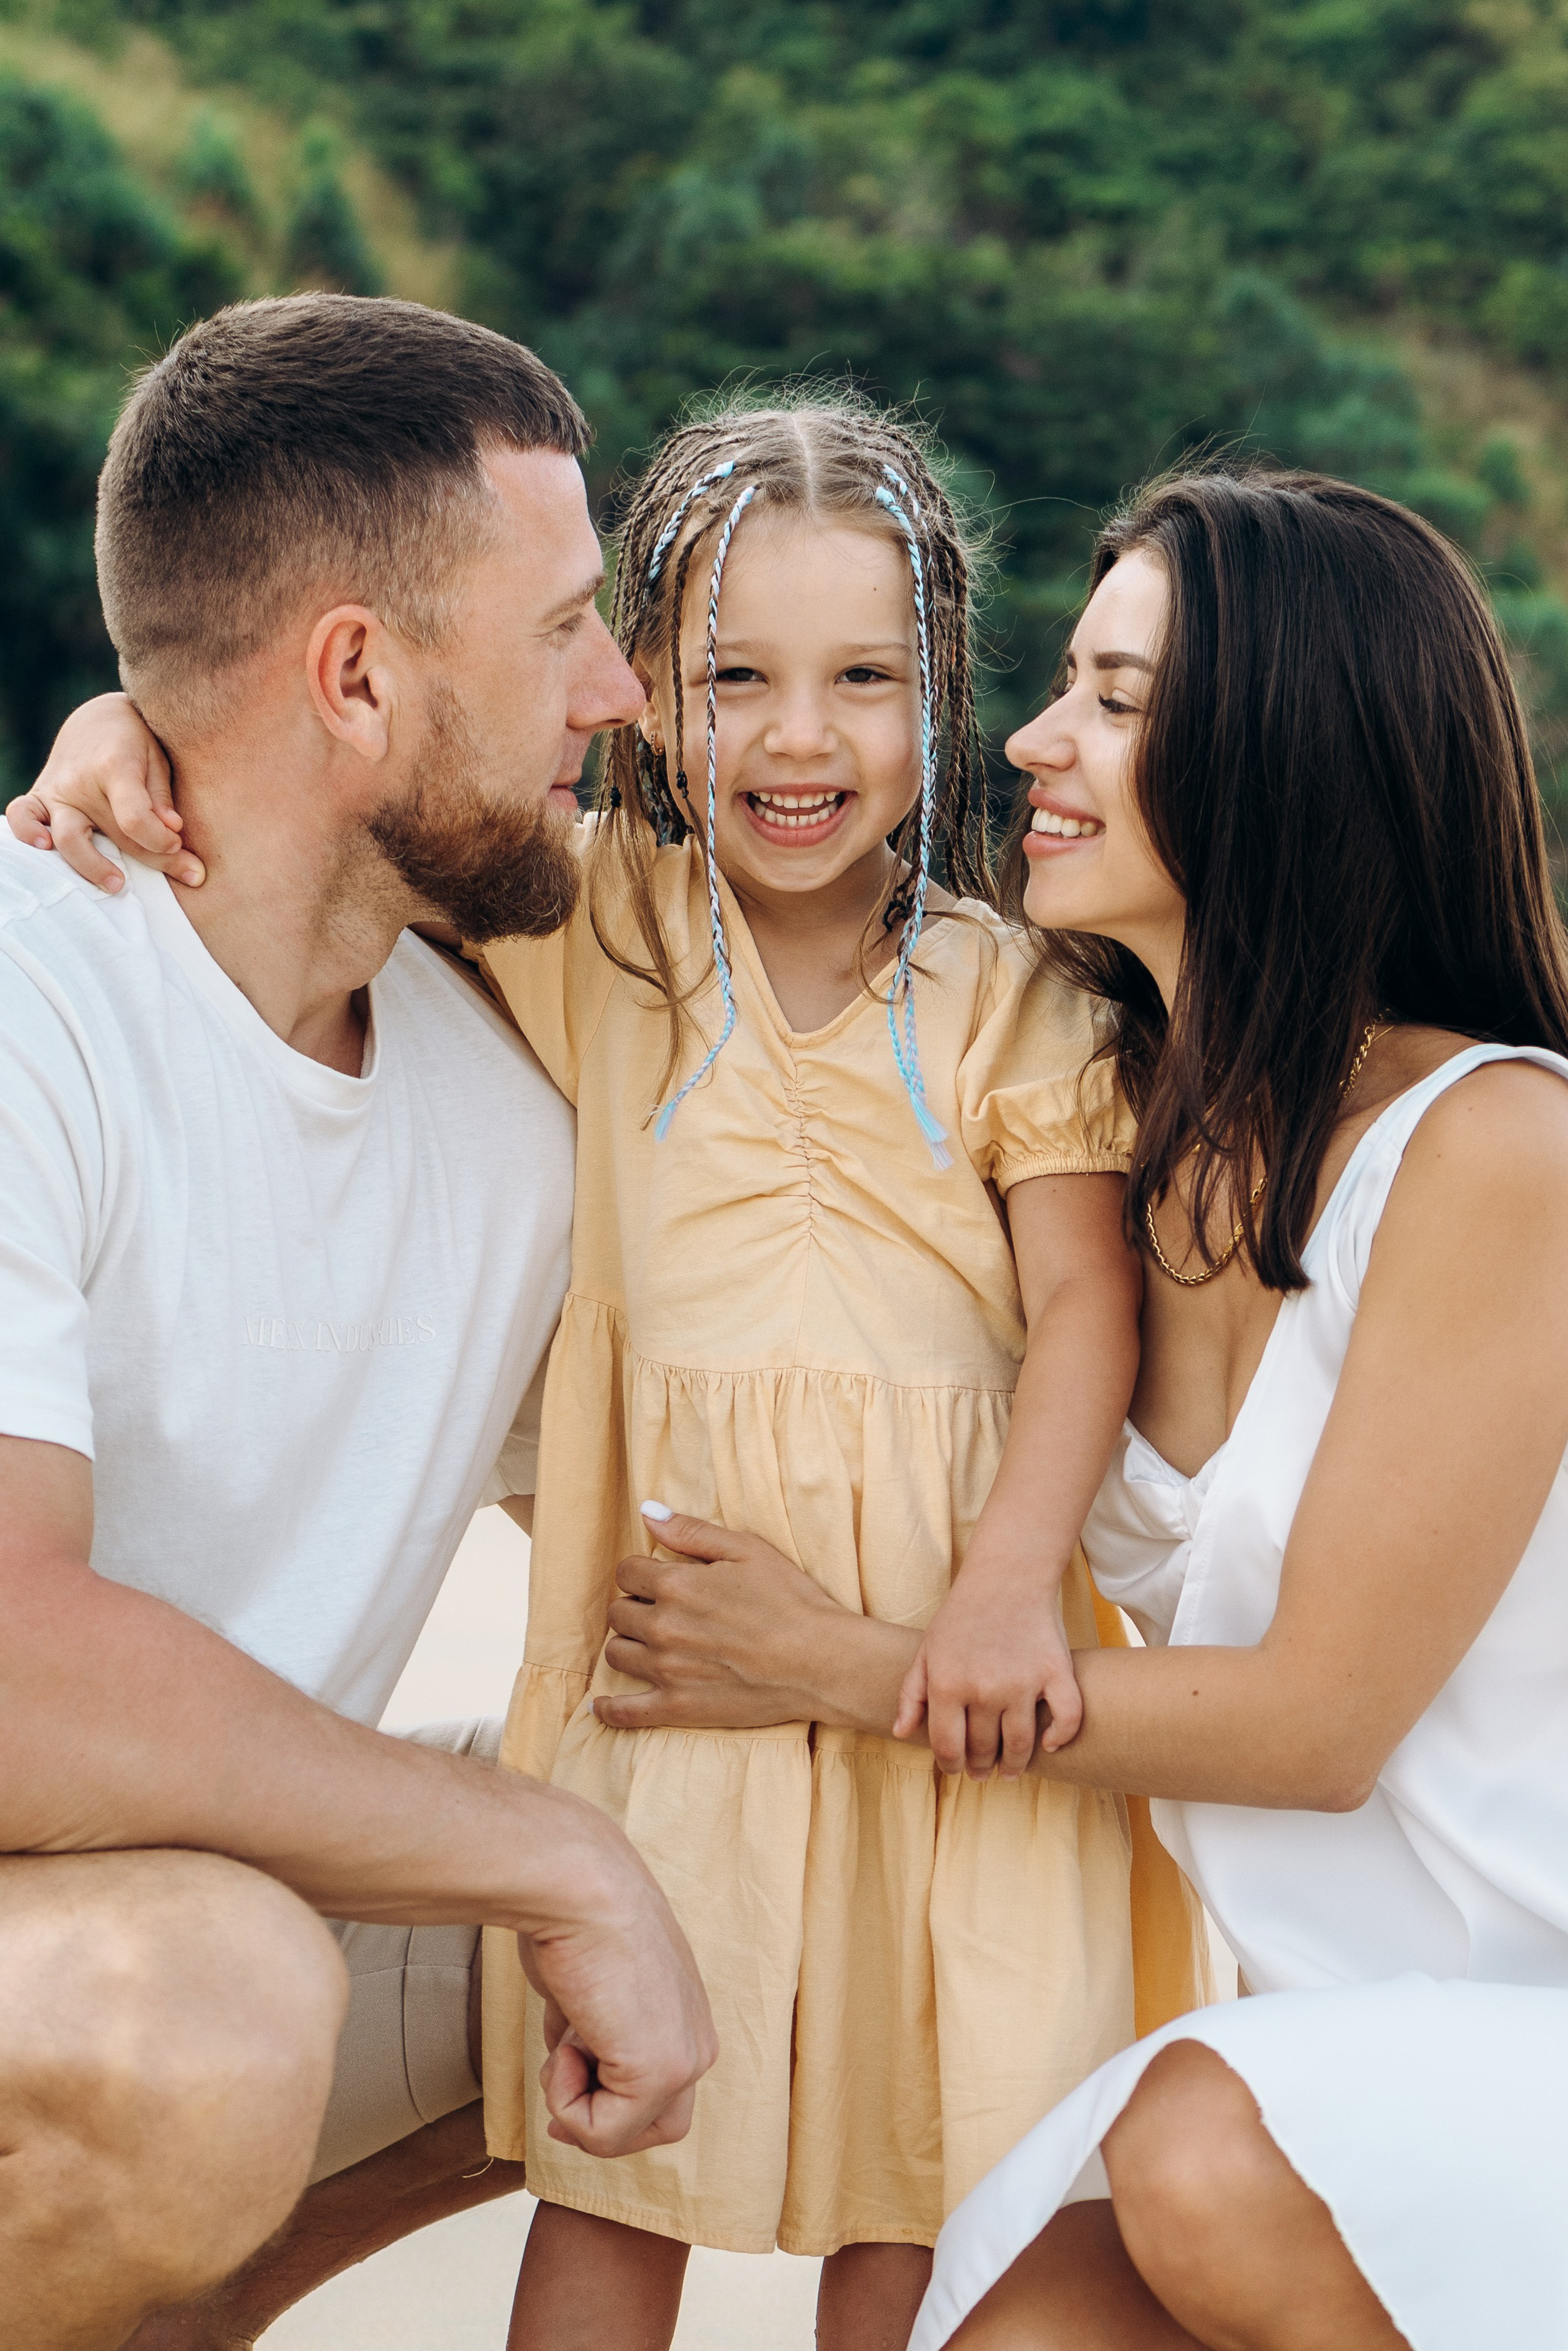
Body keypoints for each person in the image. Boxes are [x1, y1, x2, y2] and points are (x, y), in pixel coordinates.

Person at [25, 393, 1210, 2351]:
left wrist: (1005, 1592)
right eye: (730, 676)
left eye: (863, 679)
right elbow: (317, 814)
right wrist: (121, 733)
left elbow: (1086, 1306)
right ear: (649, 691)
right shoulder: (595, 938)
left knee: (922, 2194)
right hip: (665, 1699)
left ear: (943, 693)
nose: (799, 736)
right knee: (610, 2153)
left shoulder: (1015, 1000)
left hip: (948, 1701)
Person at [470, 464, 1568, 2351]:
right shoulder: (1162, 1132)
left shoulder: (1505, 1145)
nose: (1039, 739)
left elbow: (1316, 1725)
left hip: (1498, 2033)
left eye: (1121, 700)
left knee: (1188, 2152)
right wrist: (112, 735)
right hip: (1317, 2040)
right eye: (1066, 680)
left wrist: (832, 1659)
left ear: (1287, 756)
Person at [0, 292, 715, 2351]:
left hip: (164, 1908)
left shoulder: (494, 1100)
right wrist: (554, 1863)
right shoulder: (38, 1010)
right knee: (223, 2006)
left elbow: (674, 1533)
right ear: (355, 674)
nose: (623, 691)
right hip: (131, 1961)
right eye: (569, 622)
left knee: (726, 1836)